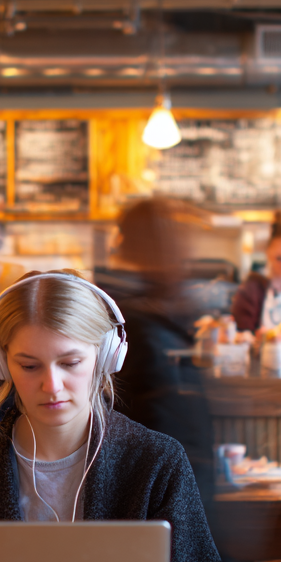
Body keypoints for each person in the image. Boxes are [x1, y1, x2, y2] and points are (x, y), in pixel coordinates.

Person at [0, 270, 225, 562]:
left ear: (106, 355)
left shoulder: (157, 462)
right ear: (0, 365)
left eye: (70, 362)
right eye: (29, 366)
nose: (52, 386)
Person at [94, 198, 216, 512]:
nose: (186, 249)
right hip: (160, 492)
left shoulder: (154, 309)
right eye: (177, 236)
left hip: (172, 485)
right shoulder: (134, 320)